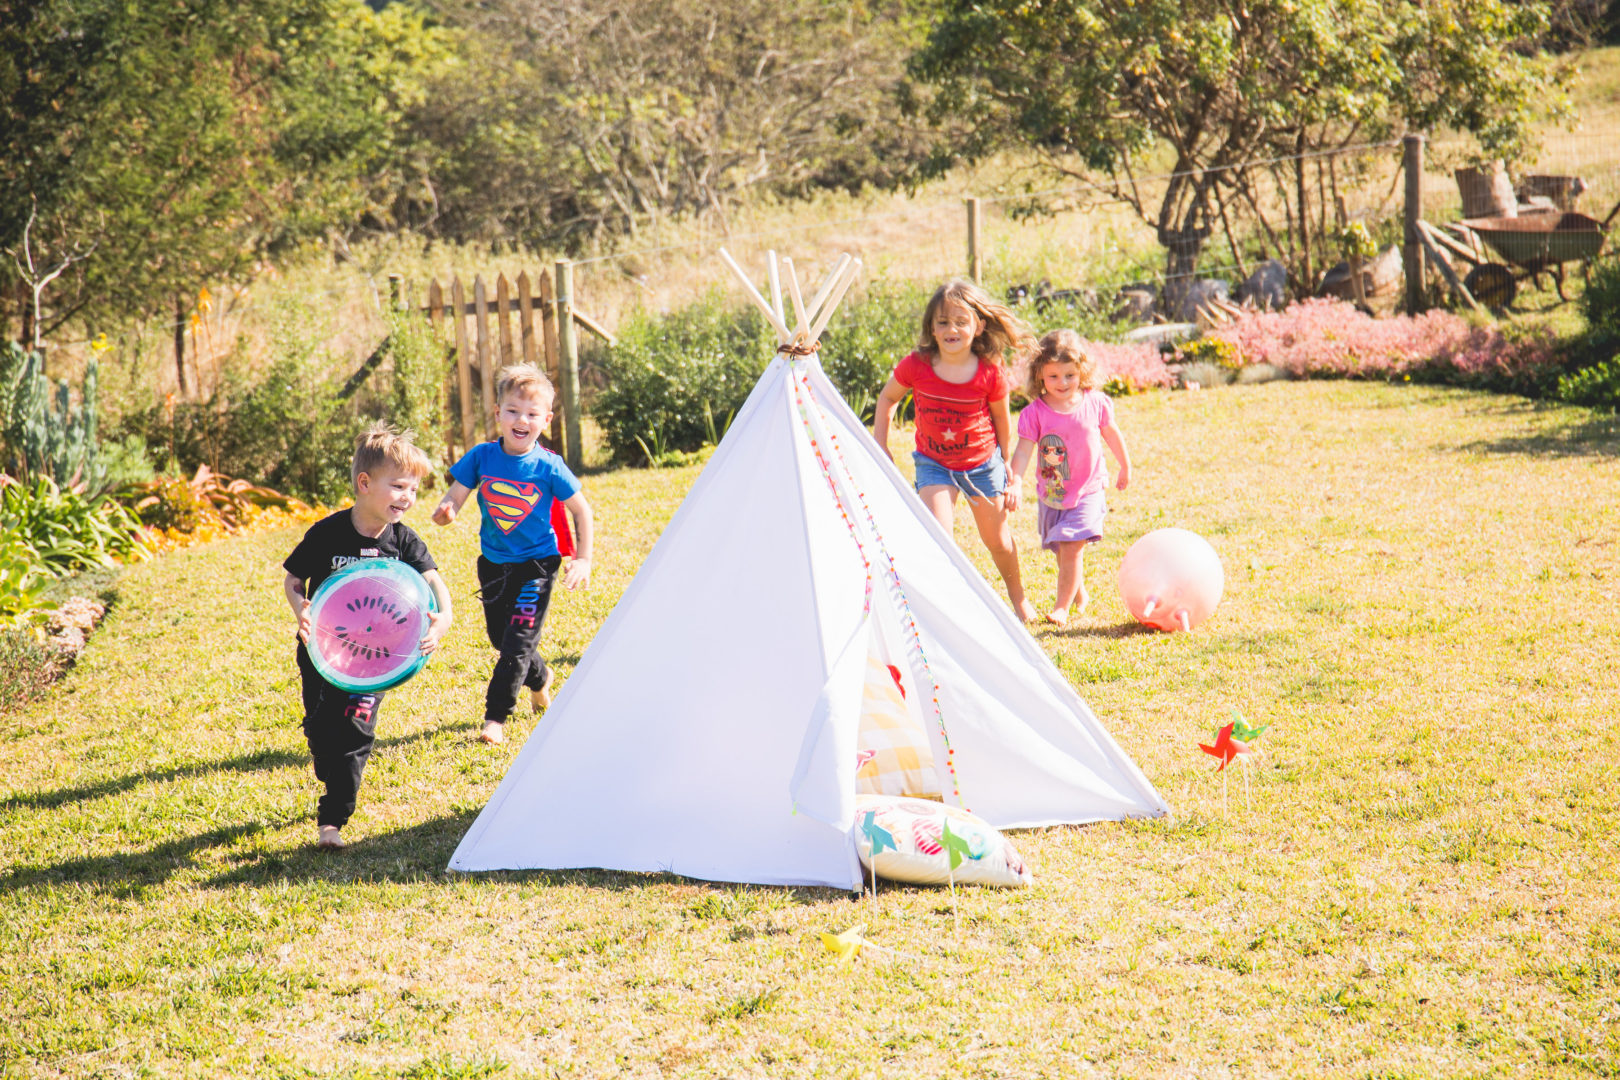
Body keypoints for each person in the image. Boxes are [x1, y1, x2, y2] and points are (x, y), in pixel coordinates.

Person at [283, 423, 453, 851]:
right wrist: (302, 609)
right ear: (364, 483)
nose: (407, 498)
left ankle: (332, 820)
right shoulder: (327, 534)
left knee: (355, 733)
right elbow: (292, 579)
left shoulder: (403, 541)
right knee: (322, 732)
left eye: (413, 490)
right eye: (398, 487)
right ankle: (326, 761)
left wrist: (444, 617)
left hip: (378, 660)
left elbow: (434, 584)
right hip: (322, 652)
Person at [433, 363, 593, 746]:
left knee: (518, 640)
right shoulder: (481, 457)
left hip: (538, 566)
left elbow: (581, 510)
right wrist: (447, 508)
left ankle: (496, 718)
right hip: (493, 565)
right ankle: (539, 678)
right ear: (498, 413)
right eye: (513, 411)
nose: (522, 420)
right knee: (501, 638)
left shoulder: (548, 465)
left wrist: (583, 558)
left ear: (546, 419)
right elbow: (457, 492)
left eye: (532, 414)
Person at [872, 278, 1037, 621]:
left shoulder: (990, 373)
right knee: (938, 537)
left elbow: (1002, 421)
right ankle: (948, 610)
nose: (952, 329)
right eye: (943, 322)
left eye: (961, 321)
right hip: (934, 464)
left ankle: (1019, 599)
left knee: (998, 541)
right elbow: (888, 398)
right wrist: (881, 441)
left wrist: (1005, 462)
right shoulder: (916, 365)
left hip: (981, 465)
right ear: (931, 328)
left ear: (978, 327)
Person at [1007, 329, 1132, 627]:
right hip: (1053, 492)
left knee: (1072, 544)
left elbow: (1111, 433)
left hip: (1088, 488)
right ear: (1039, 376)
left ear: (1082, 372)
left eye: (1069, 375)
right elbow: (1023, 452)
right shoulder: (1034, 413)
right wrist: (1015, 481)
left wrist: (1125, 465)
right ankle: (1078, 591)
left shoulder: (1095, 403)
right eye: (1053, 376)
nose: (1061, 383)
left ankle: (1061, 607)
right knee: (1062, 549)